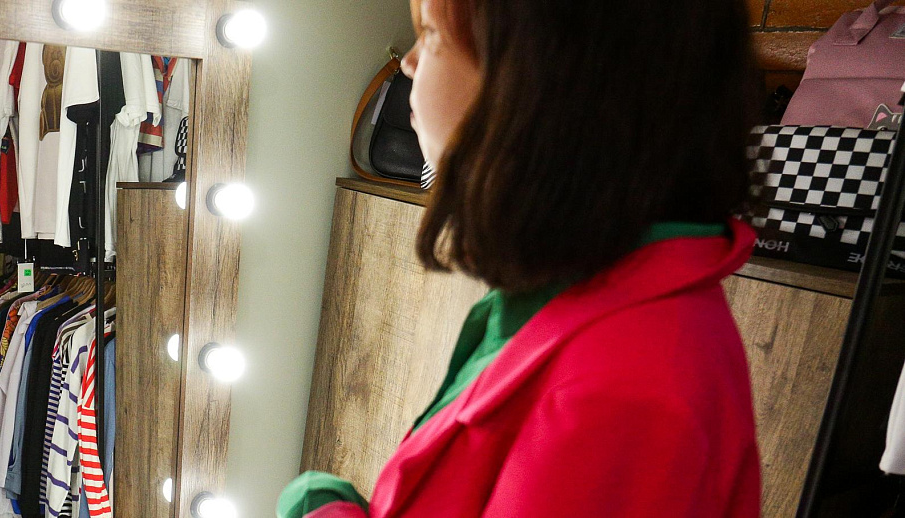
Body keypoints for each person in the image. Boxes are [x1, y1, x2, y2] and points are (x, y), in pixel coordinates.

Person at [279, 0, 763, 516]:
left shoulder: (621, 393)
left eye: (432, 35)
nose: (409, 63)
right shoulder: (575, 297)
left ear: (538, 81)